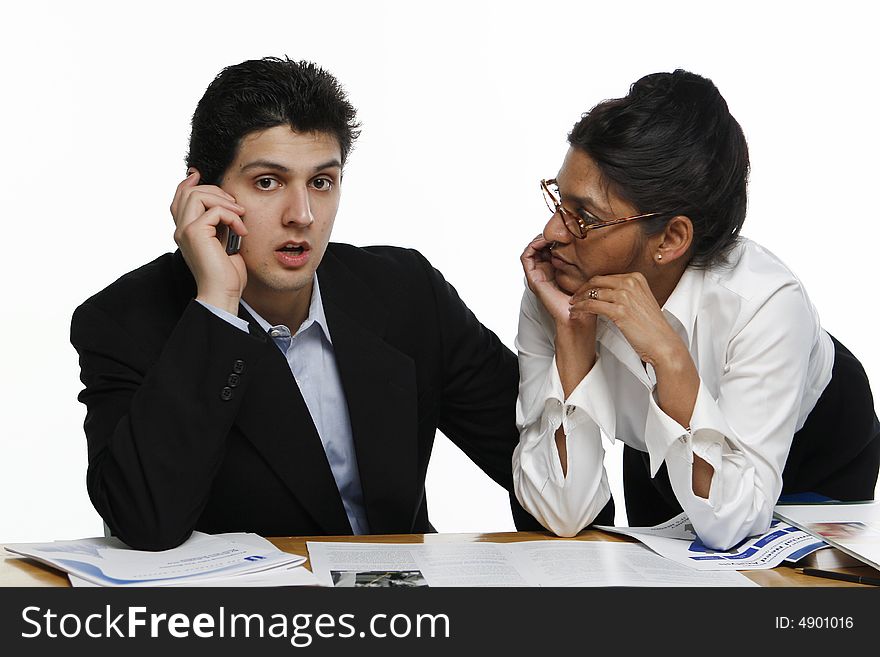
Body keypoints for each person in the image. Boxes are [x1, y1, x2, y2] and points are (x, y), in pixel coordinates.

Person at [71, 56, 536, 551]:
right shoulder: (123, 321)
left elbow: (538, 465)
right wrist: (216, 304)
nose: (303, 215)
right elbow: (143, 523)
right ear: (204, 193)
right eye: (267, 182)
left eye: (321, 182)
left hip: (404, 613)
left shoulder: (406, 291)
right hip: (251, 620)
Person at [513, 70, 880, 550]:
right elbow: (561, 514)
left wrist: (668, 356)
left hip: (815, 444)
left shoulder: (765, 303)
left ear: (670, 239)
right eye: (560, 200)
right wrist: (573, 339)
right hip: (664, 437)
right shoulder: (559, 286)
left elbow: (733, 524)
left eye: (585, 217)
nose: (554, 231)